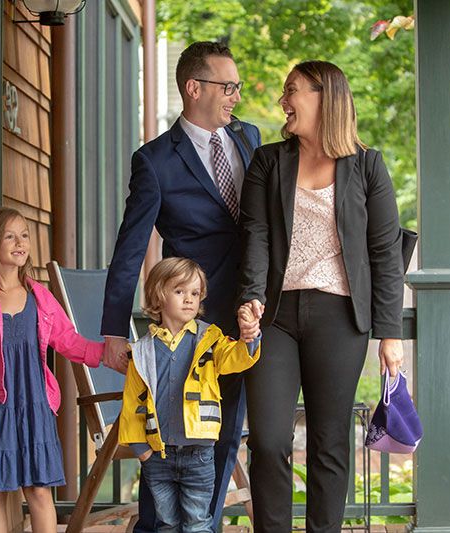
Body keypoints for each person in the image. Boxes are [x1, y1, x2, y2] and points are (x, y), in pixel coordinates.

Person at [101, 41, 262, 532]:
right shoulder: (154, 161)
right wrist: (112, 329)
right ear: (194, 88)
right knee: (171, 444)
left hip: (249, 316)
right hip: (189, 324)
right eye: (227, 85)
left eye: (236, 86)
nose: (235, 95)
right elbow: (131, 248)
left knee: (226, 437)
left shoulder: (249, 137)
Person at [237, 61, 404, 532]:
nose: (282, 101)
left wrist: (390, 333)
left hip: (340, 317)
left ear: (324, 96)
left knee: (329, 441)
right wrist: (249, 297)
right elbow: (255, 235)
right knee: (268, 439)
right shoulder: (268, 162)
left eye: (291, 91)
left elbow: (385, 253)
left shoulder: (367, 165)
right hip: (275, 317)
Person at [0, 207, 104, 533]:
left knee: (39, 489)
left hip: (35, 405)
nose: (20, 242)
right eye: (10, 236)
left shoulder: (39, 296)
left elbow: (68, 340)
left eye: (24, 235)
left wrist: (107, 354)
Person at [118, 258, 261, 533]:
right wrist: (142, 451)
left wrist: (249, 338)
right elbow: (132, 403)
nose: (189, 300)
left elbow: (236, 359)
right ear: (159, 296)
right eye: (180, 291)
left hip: (199, 454)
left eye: (194, 294)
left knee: (197, 523)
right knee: (167, 524)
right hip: (158, 456)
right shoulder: (143, 350)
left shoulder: (210, 338)